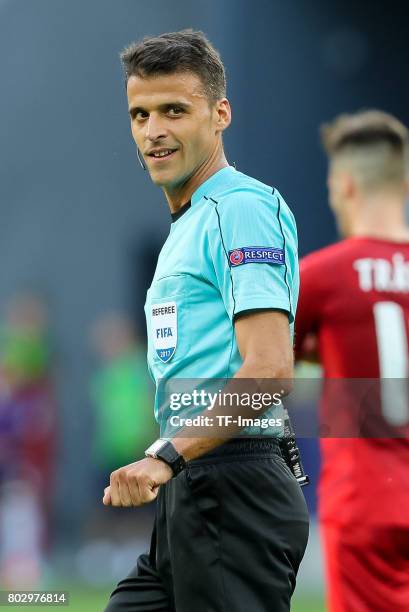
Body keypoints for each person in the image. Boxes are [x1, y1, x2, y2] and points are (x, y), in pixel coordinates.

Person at [103, 30, 309, 612]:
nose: (153, 130)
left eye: (174, 110)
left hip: (230, 485)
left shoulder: (239, 207)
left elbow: (269, 370)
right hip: (194, 486)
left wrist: (166, 455)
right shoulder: (190, 223)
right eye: (140, 114)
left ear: (220, 114)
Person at [295, 110, 409, 611]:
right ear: (403, 182)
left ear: (343, 186)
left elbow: (264, 375)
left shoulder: (320, 277)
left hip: (364, 502)